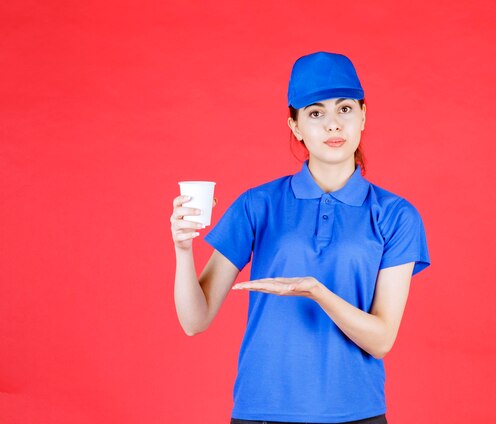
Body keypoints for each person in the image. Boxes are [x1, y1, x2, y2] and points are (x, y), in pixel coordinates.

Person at [171, 51, 431, 424]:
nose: (332, 126)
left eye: (344, 109)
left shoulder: (395, 215)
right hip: (262, 412)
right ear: (295, 126)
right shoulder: (258, 204)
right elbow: (194, 321)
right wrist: (182, 250)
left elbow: (381, 339)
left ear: (363, 116)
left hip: (356, 414)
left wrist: (317, 291)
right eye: (315, 113)